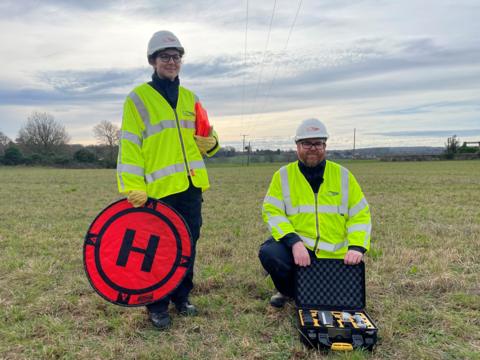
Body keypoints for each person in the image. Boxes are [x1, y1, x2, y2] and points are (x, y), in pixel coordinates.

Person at [116, 30, 220, 329]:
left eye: (176, 57)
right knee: (159, 248)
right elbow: (130, 146)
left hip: (190, 186)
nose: (171, 62)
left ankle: (181, 297)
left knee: (189, 244)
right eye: (165, 57)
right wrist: (133, 186)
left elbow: (208, 137)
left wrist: (210, 143)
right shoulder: (137, 99)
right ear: (153, 61)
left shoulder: (191, 98)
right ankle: (157, 305)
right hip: (158, 190)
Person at [258, 118, 371, 308]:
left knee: (333, 300)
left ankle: (314, 291)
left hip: (335, 257)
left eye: (318, 143)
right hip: (301, 249)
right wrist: (294, 242)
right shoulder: (283, 175)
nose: (312, 148)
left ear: (325, 146)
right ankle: (289, 292)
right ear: (297, 146)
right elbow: (272, 210)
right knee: (270, 252)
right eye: (306, 143)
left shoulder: (343, 175)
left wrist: (357, 247)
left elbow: (360, 214)